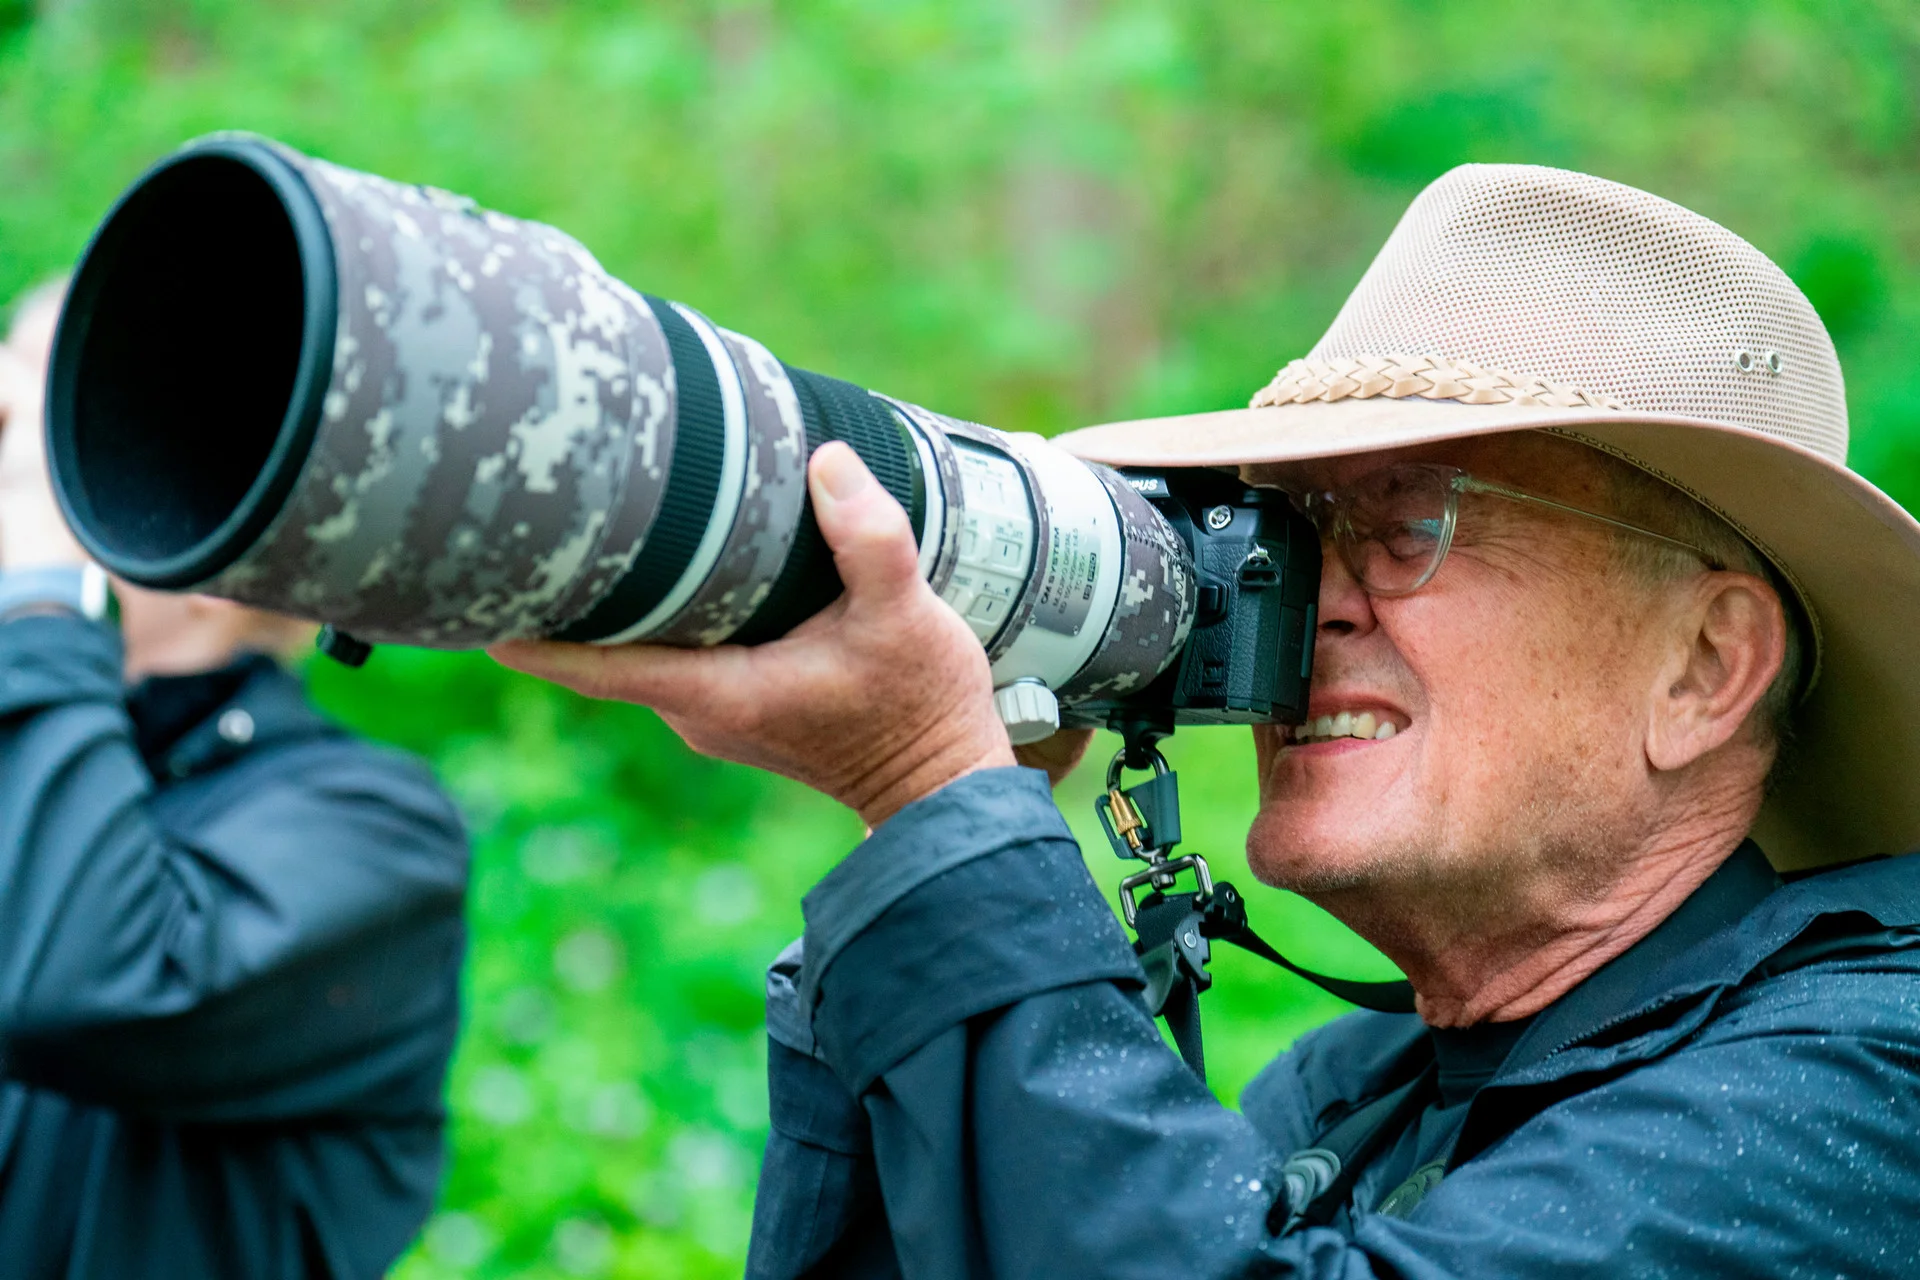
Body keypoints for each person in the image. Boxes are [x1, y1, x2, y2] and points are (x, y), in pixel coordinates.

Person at [493, 165, 1920, 1277]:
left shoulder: (1864, 1084)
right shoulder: (1351, 1092)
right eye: (1294, 531)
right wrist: (940, 820)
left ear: (1704, 668)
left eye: (1408, 522)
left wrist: (937, 801)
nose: (1310, 606)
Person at [0, 283, 470, 1279]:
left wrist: (42, 597)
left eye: (62, 447)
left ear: (211, 557)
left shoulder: (374, 832)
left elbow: (87, 975)